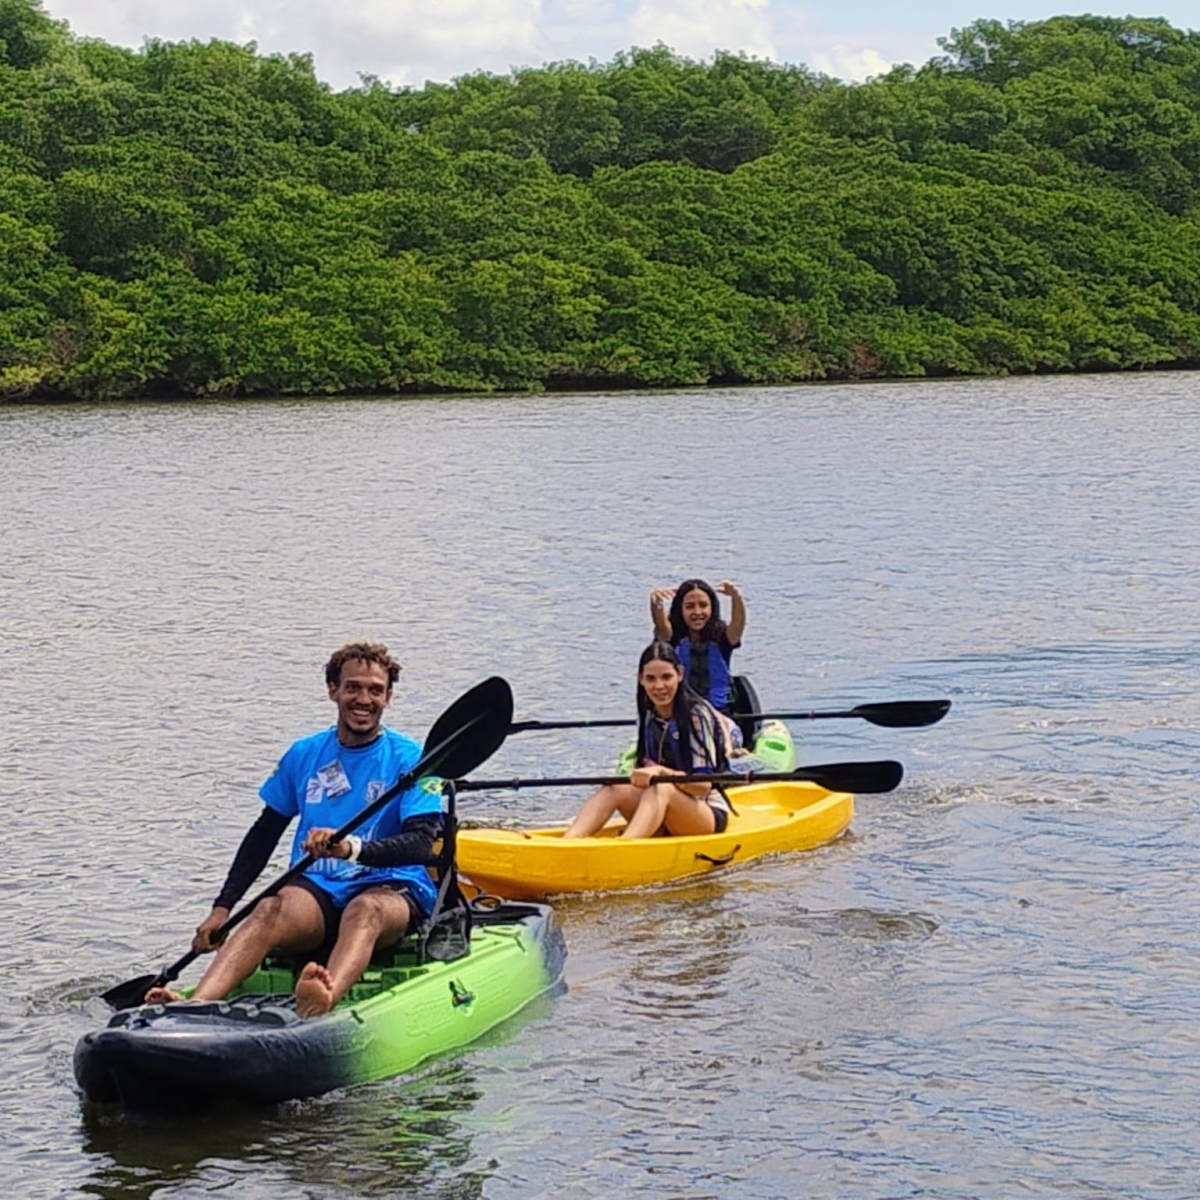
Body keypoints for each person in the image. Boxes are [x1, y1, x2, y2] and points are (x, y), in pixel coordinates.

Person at [144, 642, 442, 1018]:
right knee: (269, 908)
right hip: (320, 888)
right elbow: (263, 834)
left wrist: (350, 849)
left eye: (375, 690)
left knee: (364, 909)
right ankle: (196, 1004)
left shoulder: (413, 759)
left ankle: (323, 996)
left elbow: (420, 844)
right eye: (352, 687)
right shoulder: (304, 754)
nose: (363, 699)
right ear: (333, 690)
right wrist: (222, 909)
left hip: (391, 887)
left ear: (389, 697)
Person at [563, 641, 730, 840]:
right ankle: (569, 841)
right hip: (662, 804)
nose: (659, 686)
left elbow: (703, 786)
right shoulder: (647, 713)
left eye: (666, 677)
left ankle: (626, 846)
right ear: (641, 679)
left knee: (662, 786)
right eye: (651, 679)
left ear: (680, 674)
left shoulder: (696, 715)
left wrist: (662, 772)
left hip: (705, 810)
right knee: (614, 786)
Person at [649, 578, 745, 714]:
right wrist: (656, 602)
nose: (697, 612)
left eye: (703, 605)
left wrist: (736, 598)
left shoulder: (722, 638)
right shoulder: (673, 637)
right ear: (680, 609)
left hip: (719, 711)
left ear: (712, 607)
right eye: (690, 606)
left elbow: (737, 627)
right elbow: (661, 627)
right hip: (682, 712)